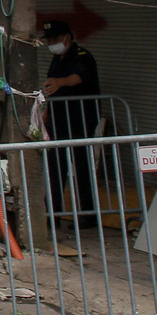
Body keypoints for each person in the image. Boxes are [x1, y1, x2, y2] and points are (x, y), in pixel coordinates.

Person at [39, 19, 102, 221]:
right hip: (58, 121)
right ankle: (53, 213)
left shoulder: (82, 56)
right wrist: (46, 114)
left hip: (80, 120)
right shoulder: (57, 59)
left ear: (67, 37)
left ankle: (87, 214)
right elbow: (51, 88)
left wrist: (61, 82)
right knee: (55, 167)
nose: (52, 44)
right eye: (48, 40)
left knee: (82, 168)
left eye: (55, 39)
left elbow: (80, 77)